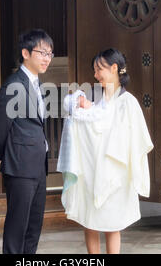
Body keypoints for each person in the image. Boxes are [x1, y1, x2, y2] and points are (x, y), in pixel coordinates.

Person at [57, 48, 154, 254]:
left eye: (99, 69)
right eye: (94, 70)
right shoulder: (97, 100)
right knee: (89, 219)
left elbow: (131, 139)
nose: (95, 75)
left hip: (115, 170)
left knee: (112, 223)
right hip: (91, 168)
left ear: (114, 68)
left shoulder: (128, 102)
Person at [0, 29, 53, 254]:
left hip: (38, 165)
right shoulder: (13, 85)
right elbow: (0, 126)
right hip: (20, 165)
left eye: (50, 54)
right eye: (42, 52)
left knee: (34, 226)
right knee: (18, 226)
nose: (47, 58)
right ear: (26, 53)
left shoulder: (37, 85)